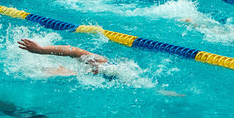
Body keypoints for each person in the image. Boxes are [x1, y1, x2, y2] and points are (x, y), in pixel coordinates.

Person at [18, 39, 184, 96]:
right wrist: (41, 50)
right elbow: (72, 50)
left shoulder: (108, 70)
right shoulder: (99, 63)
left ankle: (56, 70)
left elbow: (145, 86)